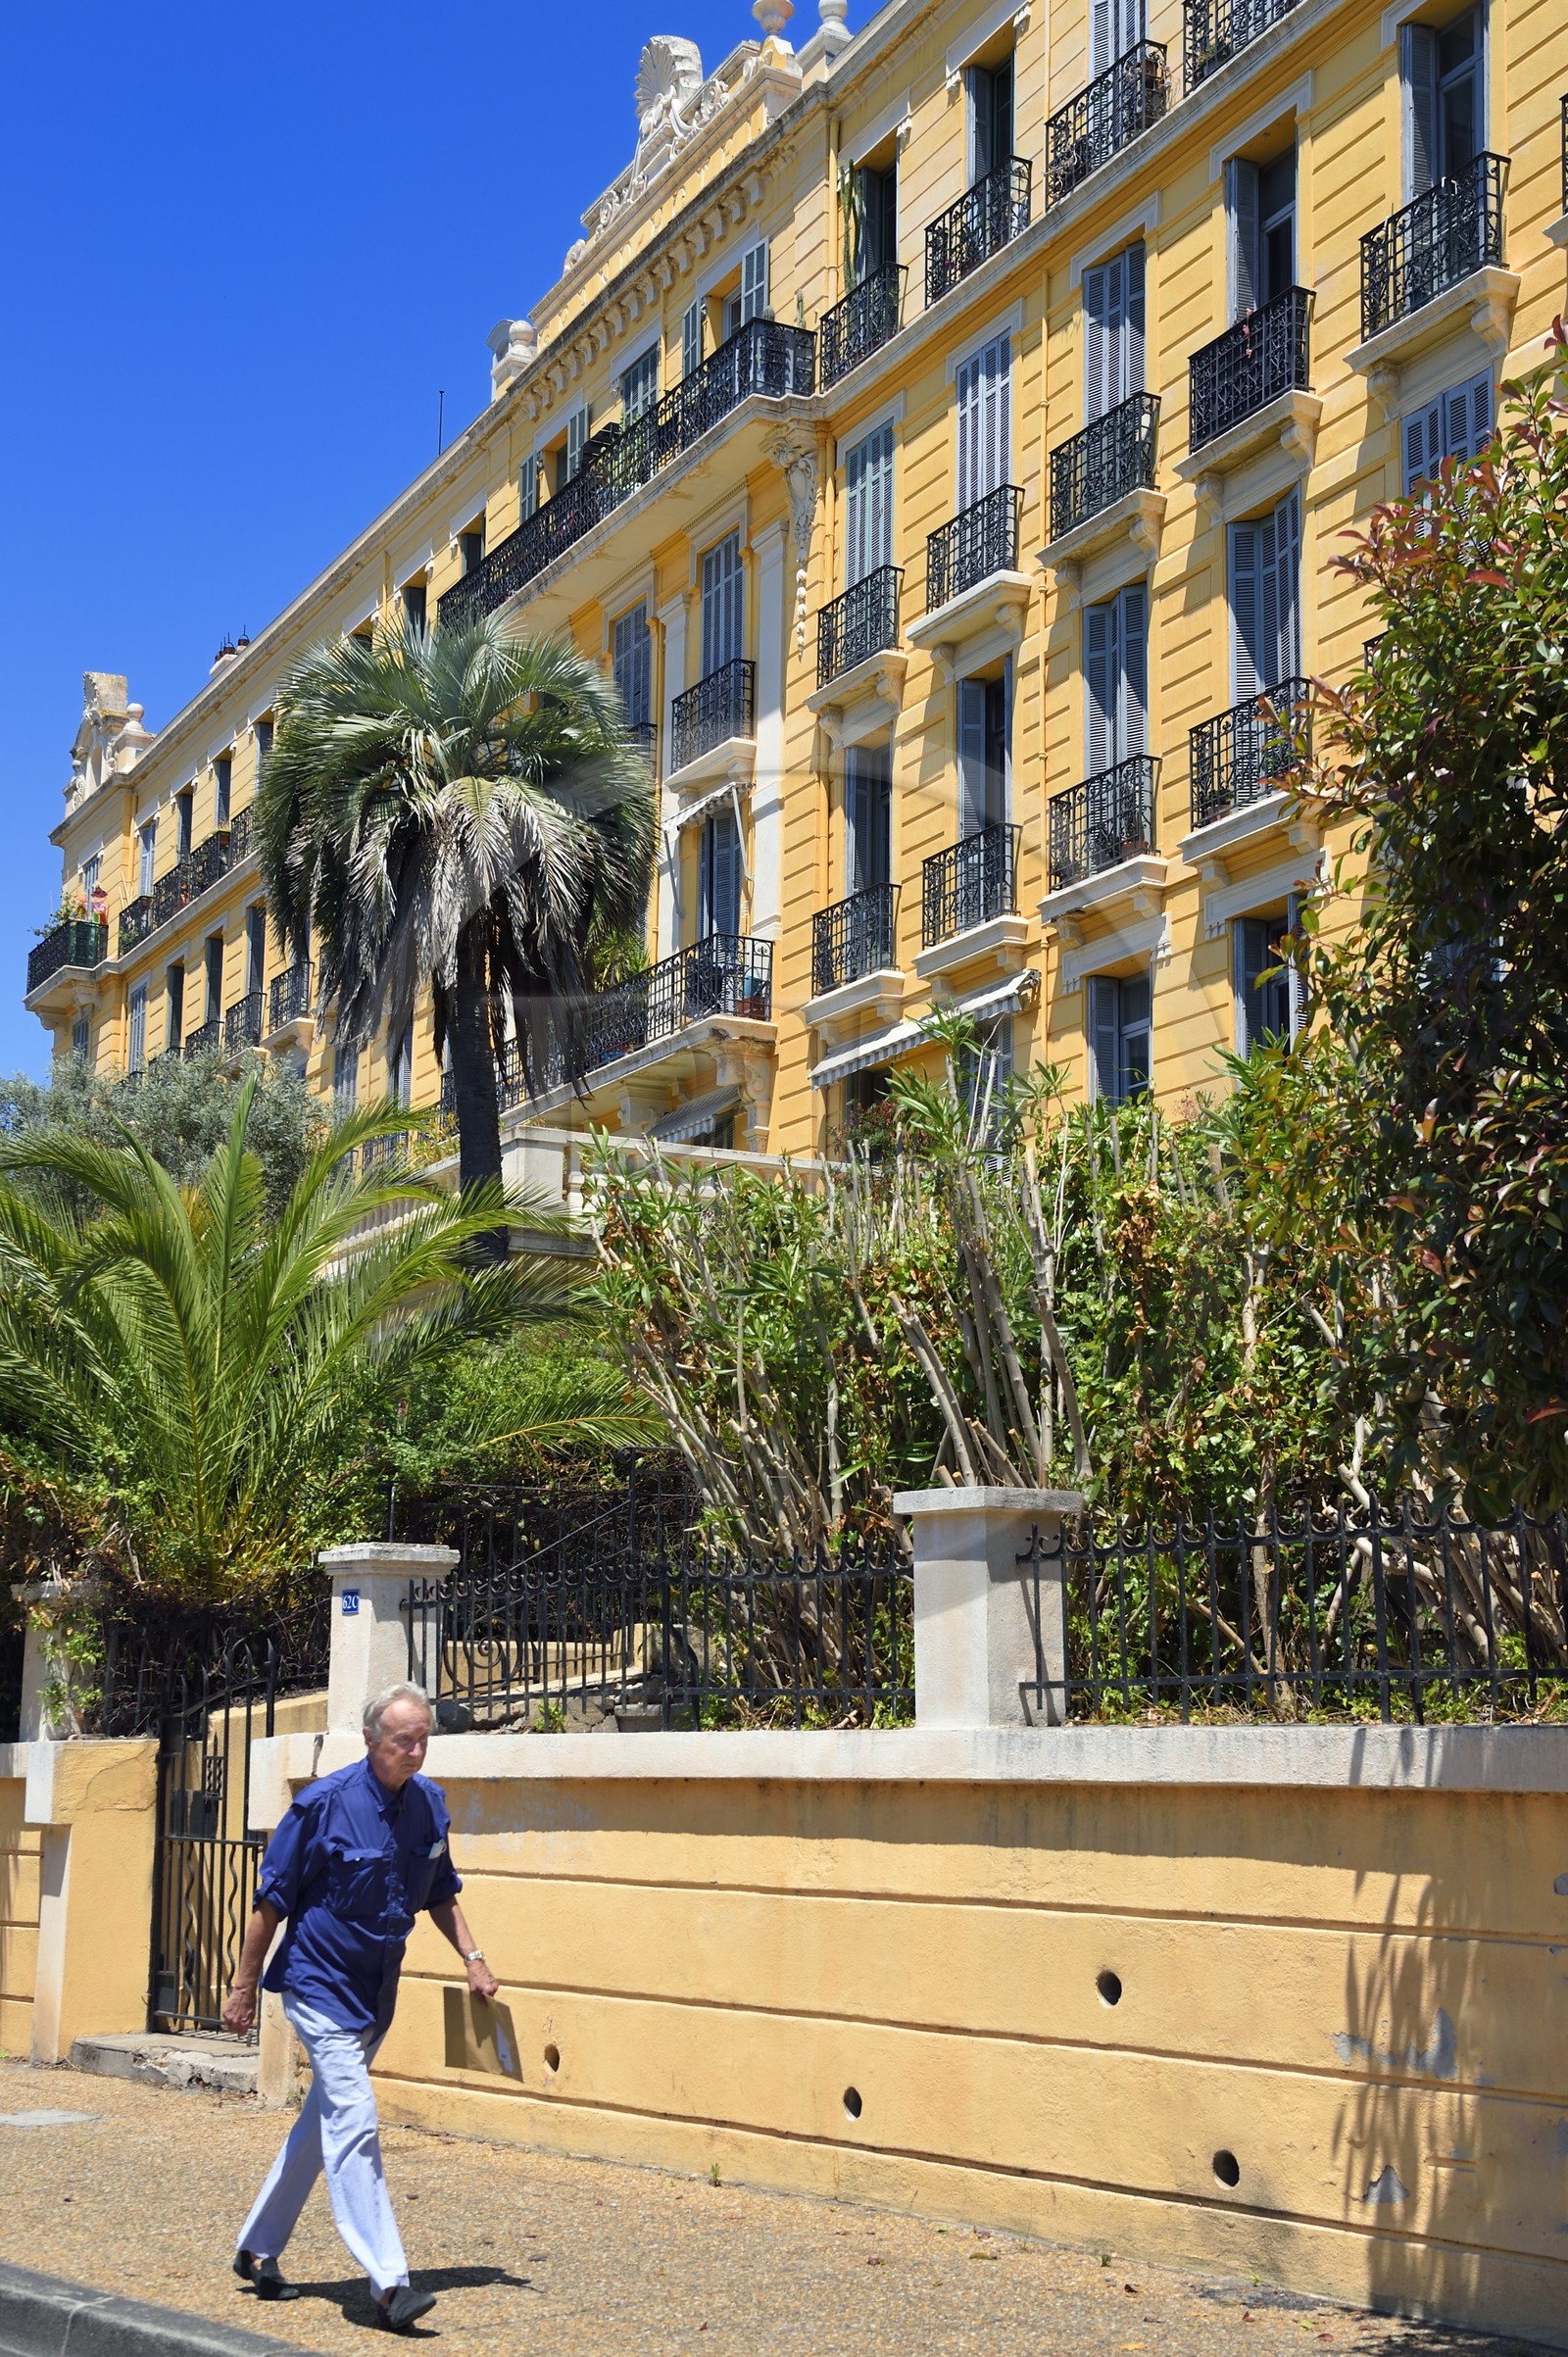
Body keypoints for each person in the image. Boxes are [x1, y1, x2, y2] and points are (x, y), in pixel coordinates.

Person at [222, 1680, 498, 2334]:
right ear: (373, 1738)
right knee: (355, 2118)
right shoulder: (322, 1805)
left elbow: (441, 1890)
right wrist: (242, 1982)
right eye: (405, 1738)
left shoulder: (429, 1805)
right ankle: (389, 2283)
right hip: (319, 1984)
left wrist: (473, 1956)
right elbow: (272, 1901)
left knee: (325, 2125)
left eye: (425, 1737)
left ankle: (257, 2248)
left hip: (376, 1993)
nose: (417, 1748)